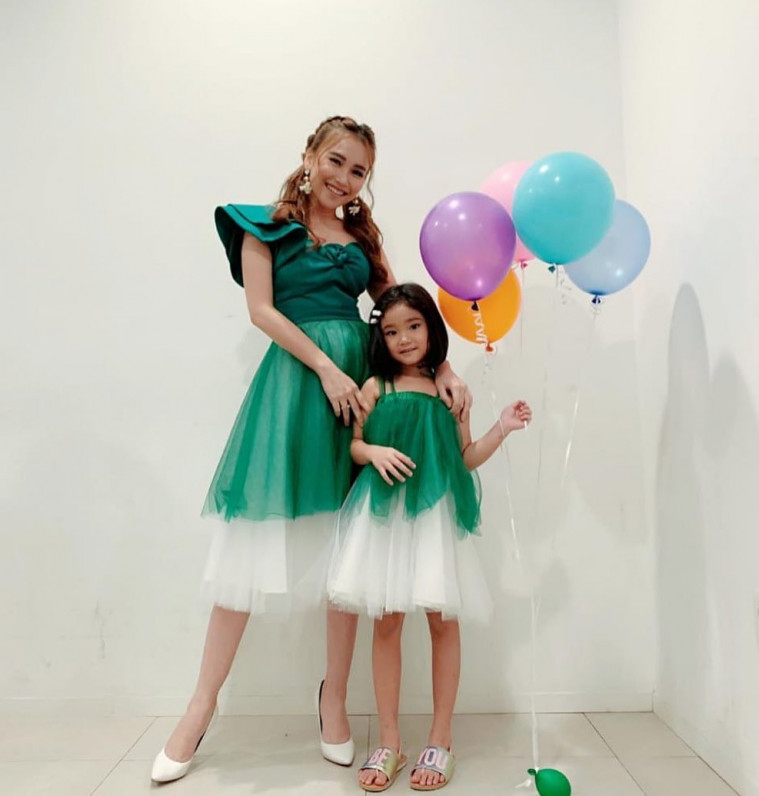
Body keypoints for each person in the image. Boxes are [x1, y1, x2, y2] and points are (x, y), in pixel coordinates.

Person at [151, 117, 471, 783]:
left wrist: (441, 367)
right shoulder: (261, 226)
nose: (344, 178)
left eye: (359, 171)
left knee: (347, 546)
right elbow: (262, 311)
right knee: (248, 545)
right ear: (308, 156)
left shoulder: (362, 238)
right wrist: (325, 368)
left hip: (362, 394)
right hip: (299, 387)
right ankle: (200, 706)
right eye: (336, 161)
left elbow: (395, 305)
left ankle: (334, 698)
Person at [326, 284, 532, 792]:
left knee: (443, 622)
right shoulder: (375, 387)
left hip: (435, 516)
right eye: (391, 331)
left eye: (413, 326)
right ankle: (390, 740)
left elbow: (465, 458)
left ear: (431, 329)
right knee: (388, 622)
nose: (404, 338)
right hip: (386, 518)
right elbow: (353, 445)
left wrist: (501, 427)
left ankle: (441, 738)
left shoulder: (449, 393)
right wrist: (373, 453)